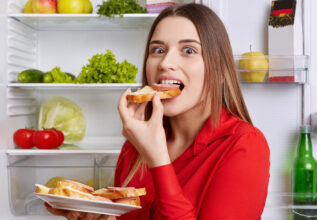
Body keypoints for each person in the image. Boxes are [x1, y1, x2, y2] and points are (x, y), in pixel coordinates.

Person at [45, 3, 270, 220]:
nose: (165, 62)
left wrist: (158, 159)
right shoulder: (135, 146)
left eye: (189, 50)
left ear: (220, 71)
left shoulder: (245, 144)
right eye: (158, 50)